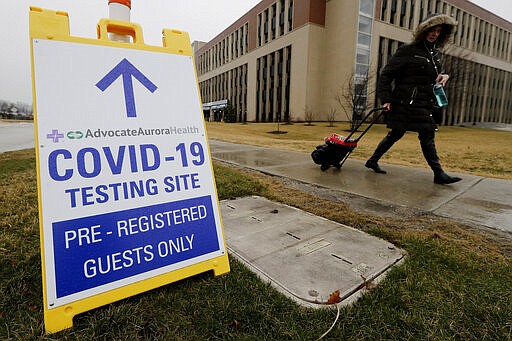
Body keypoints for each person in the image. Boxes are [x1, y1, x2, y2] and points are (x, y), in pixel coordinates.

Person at [365, 13, 462, 185]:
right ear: (423, 30)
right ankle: (438, 174)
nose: (434, 34)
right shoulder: (408, 50)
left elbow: (431, 77)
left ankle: (373, 160)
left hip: (424, 103)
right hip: (404, 102)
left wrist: (443, 76)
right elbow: (386, 75)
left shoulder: (435, 55)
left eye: (438, 31)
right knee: (408, 133)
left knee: (413, 134)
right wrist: (386, 99)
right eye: (431, 30)